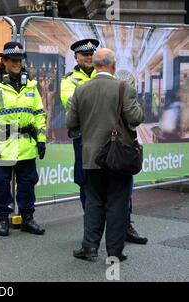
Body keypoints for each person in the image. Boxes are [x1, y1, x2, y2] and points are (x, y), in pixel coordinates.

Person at [61, 39, 147, 245]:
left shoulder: (86, 88)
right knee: (100, 192)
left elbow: (72, 120)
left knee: (97, 195)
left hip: (98, 144)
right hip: (91, 142)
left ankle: (97, 240)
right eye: (84, 55)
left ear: (97, 61)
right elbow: (134, 117)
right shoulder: (71, 81)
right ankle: (111, 245)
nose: (88, 58)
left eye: (92, 55)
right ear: (76, 57)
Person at [0, 41, 47, 237]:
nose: (17, 63)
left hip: (26, 143)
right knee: (2, 184)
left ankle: (28, 218)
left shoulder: (31, 85)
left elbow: (39, 114)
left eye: (20, 60)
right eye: (13, 60)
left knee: (27, 183)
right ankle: (3, 219)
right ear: (3, 61)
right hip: (4, 142)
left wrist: (41, 140)